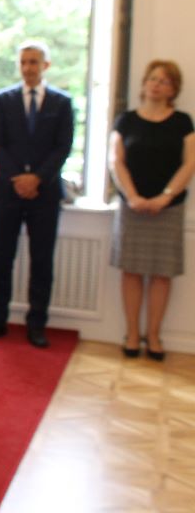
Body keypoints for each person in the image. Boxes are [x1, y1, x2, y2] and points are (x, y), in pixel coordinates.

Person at [0, 40, 74, 349]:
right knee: (2, 258)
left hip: (45, 194)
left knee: (42, 261)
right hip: (7, 191)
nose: (28, 68)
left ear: (46, 65)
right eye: (23, 62)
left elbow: (63, 146)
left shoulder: (62, 102)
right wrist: (18, 178)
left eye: (34, 62)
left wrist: (37, 178)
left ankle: (37, 324)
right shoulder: (3, 100)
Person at [108, 60, 194, 361]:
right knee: (131, 271)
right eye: (153, 79)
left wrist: (165, 197)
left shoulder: (183, 122)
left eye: (165, 81)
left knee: (161, 273)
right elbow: (115, 161)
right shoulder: (126, 120)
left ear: (173, 89)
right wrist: (133, 196)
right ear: (144, 84)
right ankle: (132, 334)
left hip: (168, 210)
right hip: (132, 207)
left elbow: (189, 163)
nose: (157, 85)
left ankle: (154, 336)